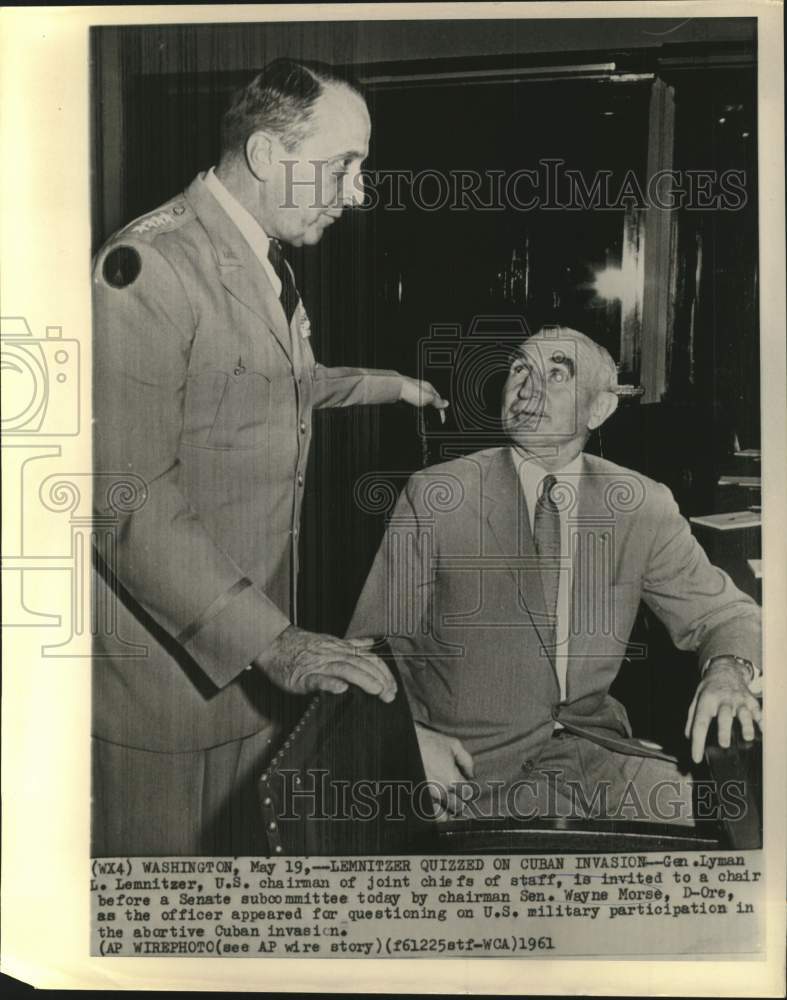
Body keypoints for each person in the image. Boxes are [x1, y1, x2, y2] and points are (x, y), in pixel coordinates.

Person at [91, 59, 447, 855]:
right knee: (162, 942)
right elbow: (124, 494)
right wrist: (272, 641)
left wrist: (392, 386)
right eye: (341, 166)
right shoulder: (149, 269)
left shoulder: (259, 256)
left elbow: (273, 386)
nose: (356, 193)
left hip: (249, 668)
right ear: (264, 155)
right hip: (169, 682)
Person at [349, 326, 762, 824]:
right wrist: (409, 742)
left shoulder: (640, 504)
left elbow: (727, 613)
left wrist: (727, 671)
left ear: (599, 409)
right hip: (469, 774)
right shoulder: (436, 497)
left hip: (597, 752)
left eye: (557, 374)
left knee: (738, 824)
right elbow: (366, 650)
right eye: (520, 368)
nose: (528, 387)